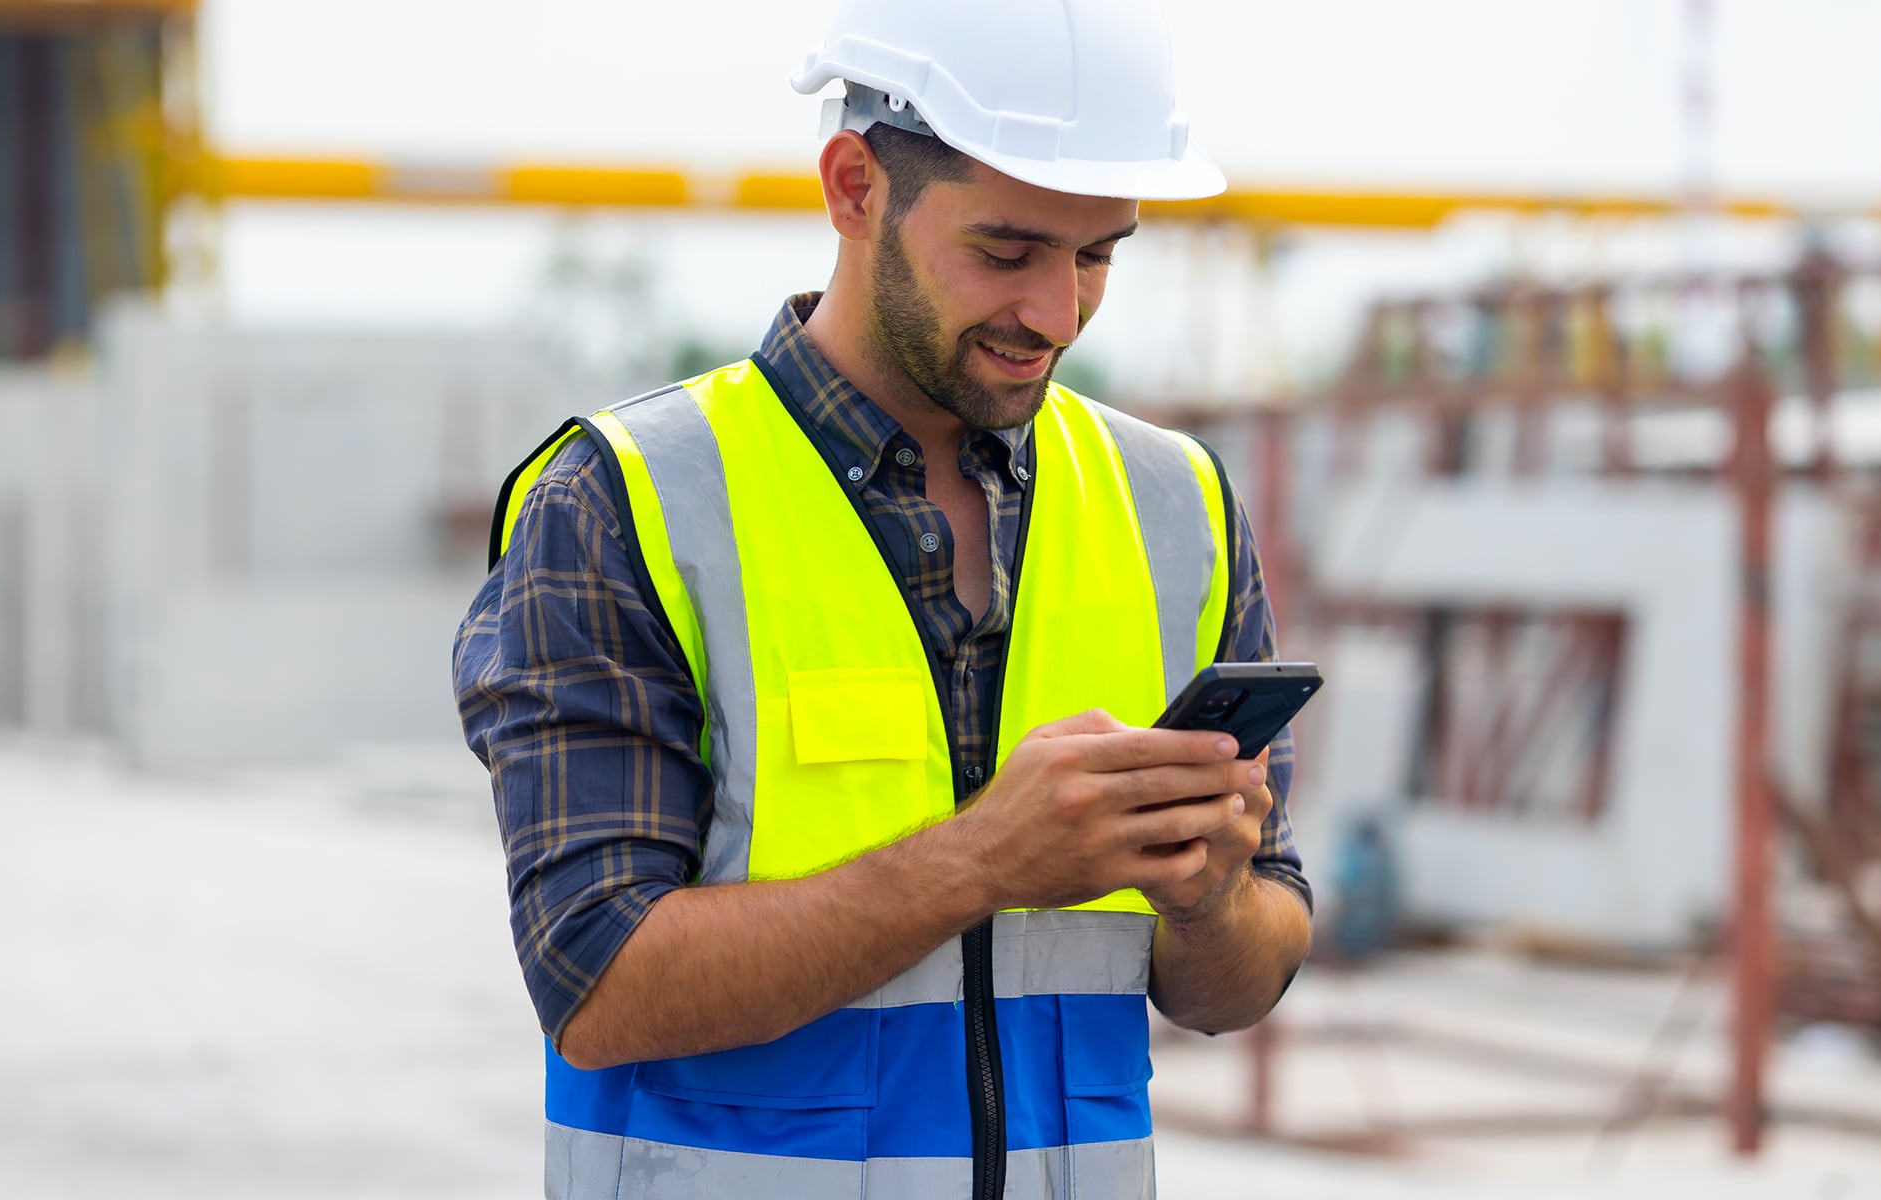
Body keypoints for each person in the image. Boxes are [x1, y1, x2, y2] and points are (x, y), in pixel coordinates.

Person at [452, 2, 1313, 1196]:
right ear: (855, 187)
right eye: (1006, 251)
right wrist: (979, 861)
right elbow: (594, 985)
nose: (1056, 314)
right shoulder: (625, 503)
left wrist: (1212, 895)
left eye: (1098, 254)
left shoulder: (1177, 505)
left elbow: (1249, 966)